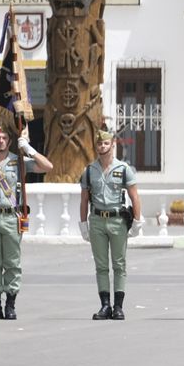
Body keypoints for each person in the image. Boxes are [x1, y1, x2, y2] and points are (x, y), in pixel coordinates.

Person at [0, 125, 52, 320]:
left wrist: (29, 149)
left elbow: (48, 167)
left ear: (9, 141)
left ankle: (11, 304)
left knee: (12, 263)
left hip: (11, 218)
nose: (1, 141)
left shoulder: (20, 162)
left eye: (4, 138)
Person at [79, 127, 142, 320]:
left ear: (113, 145)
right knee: (101, 265)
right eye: (99, 143)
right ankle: (105, 305)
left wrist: (137, 222)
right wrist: (83, 224)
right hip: (97, 219)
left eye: (106, 143)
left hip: (117, 220)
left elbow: (134, 196)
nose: (102, 146)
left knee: (119, 264)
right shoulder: (89, 171)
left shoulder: (123, 169)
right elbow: (84, 199)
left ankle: (118, 306)